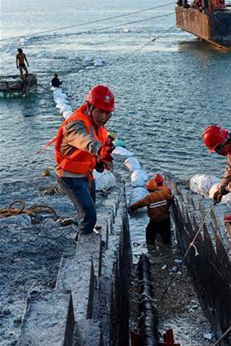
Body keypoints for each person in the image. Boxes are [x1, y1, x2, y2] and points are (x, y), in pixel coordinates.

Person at [51, 84, 115, 235]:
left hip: (85, 174)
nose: (103, 117)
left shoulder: (97, 125)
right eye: (100, 111)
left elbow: (89, 150)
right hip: (69, 176)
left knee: (90, 207)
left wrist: (99, 161)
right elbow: (84, 140)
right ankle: (85, 241)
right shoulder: (75, 125)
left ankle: (84, 231)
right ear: (89, 107)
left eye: (107, 113)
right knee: (88, 214)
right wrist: (99, 150)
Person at [128, 176, 174, 247]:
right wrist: (167, 207)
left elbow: (140, 203)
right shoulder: (163, 194)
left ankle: (151, 249)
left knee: (149, 235)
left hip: (155, 220)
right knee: (167, 238)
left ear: (148, 189)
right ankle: (168, 249)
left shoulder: (149, 198)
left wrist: (131, 208)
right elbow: (171, 198)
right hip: (166, 219)